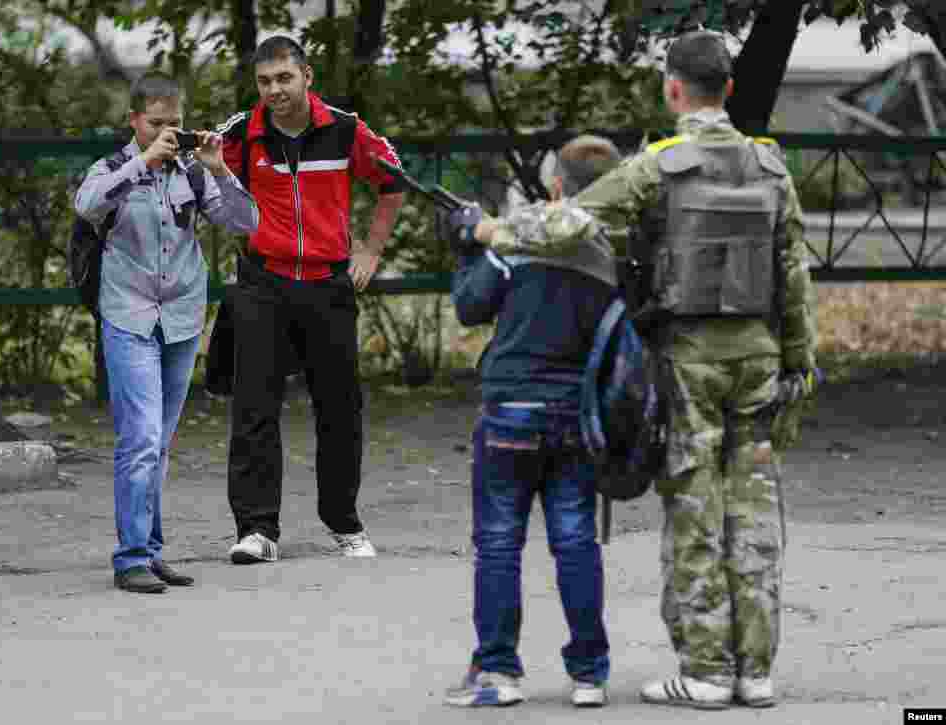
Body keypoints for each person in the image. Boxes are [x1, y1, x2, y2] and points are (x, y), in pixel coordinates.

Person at [478, 32, 818, 709]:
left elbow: (572, 224)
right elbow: (795, 275)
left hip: (689, 360)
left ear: (672, 88)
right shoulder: (770, 168)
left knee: (695, 507)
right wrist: (799, 364)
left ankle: (706, 671)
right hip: (758, 358)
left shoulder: (660, 167)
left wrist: (496, 233)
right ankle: (756, 670)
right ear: (727, 86)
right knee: (753, 512)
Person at [442, 135, 621, 708]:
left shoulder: (516, 240)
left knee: (498, 542)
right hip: (576, 409)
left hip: (511, 408)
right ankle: (589, 672)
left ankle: (497, 670)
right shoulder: (610, 250)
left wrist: (467, 243)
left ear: (556, 186)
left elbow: (472, 306)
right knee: (575, 538)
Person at [217, 35, 405, 563]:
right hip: (262, 281)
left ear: (307, 76)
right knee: (254, 407)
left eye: (284, 78)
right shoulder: (241, 134)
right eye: (264, 81)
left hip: (327, 283)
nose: (274, 90)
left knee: (339, 409)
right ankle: (256, 531)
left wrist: (369, 249)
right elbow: (199, 181)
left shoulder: (346, 130)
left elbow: (394, 182)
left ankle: (344, 523)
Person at [75, 73, 259, 594]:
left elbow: (247, 222)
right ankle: (129, 555)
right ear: (134, 121)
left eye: (174, 124)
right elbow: (87, 205)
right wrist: (144, 162)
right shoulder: (113, 168)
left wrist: (219, 168)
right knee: (141, 439)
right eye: (156, 123)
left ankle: (151, 554)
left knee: (160, 445)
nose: (167, 133)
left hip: (180, 316)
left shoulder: (193, 174)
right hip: (128, 313)